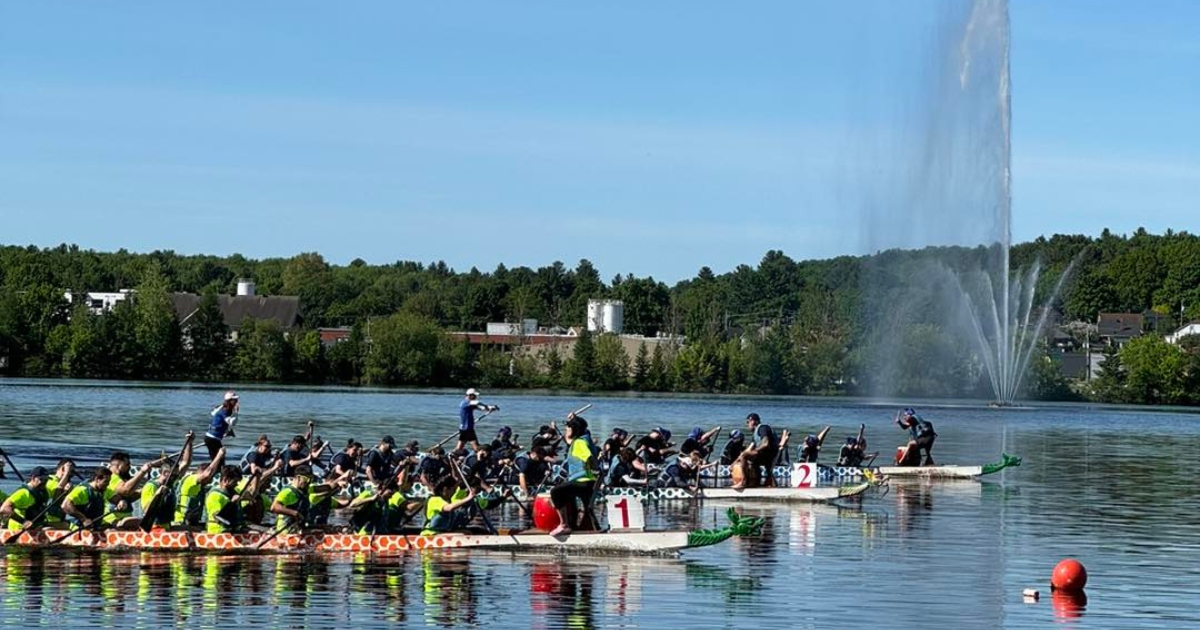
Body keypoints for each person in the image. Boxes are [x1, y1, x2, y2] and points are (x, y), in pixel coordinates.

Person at [548, 414, 599, 537]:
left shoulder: (579, 443)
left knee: (556, 492)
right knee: (587, 508)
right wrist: (574, 419)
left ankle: (564, 525)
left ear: (574, 430)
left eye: (568, 428)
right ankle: (595, 529)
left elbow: (589, 457)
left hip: (583, 481)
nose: (566, 430)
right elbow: (583, 429)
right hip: (589, 482)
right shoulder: (586, 438)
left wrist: (594, 469)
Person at [174, 448, 226, 527]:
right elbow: (207, 474)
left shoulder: (199, 486)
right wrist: (219, 456)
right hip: (181, 523)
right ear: (201, 472)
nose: (211, 480)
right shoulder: (190, 479)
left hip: (191, 522)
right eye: (211, 477)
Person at [0, 466, 51, 531]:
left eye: (46, 480)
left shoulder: (42, 491)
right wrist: (23, 522)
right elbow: (4, 509)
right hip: (18, 529)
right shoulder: (23, 493)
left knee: (62, 525)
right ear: (33, 478)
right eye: (42, 479)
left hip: (34, 527)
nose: (44, 482)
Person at [204, 465, 251, 534]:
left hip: (232, 530)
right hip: (218, 533)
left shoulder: (232, 492)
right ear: (226, 480)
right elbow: (219, 518)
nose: (237, 484)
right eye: (235, 482)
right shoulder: (214, 496)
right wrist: (232, 503)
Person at [270, 465, 315, 532]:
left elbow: (327, 488)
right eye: (307, 479)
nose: (309, 482)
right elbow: (274, 507)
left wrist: (336, 482)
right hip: (285, 532)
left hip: (297, 531)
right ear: (298, 478)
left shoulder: (306, 490)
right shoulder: (287, 492)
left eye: (311, 480)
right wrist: (294, 513)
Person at [740, 413, 780, 488]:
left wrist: (755, 451)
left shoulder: (762, 428)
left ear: (753, 421)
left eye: (748, 422)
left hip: (770, 453)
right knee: (748, 458)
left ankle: (744, 481)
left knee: (745, 457)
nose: (747, 425)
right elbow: (749, 449)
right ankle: (758, 483)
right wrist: (734, 463)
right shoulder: (755, 434)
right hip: (765, 453)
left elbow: (765, 443)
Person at [456, 388, 499, 453]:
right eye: (474, 395)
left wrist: (491, 408)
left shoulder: (470, 405)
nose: (476, 397)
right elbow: (477, 402)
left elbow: (481, 408)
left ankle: (452, 455)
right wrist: (486, 406)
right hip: (468, 429)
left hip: (464, 429)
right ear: (470, 395)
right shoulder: (465, 403)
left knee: (459, 447)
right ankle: (481, 457)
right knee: (476, 448)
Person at [205, 391, 239, 461]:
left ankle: (214, 470)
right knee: (219, 461)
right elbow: (232, 423)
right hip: (212, 439)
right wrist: (236, 412)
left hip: (212, 438)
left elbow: (216, 417)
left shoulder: (224, 408)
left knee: (218, 460)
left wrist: (226, 431)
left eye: (236, 399)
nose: (237, 401)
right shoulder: (224, 410)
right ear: (229, 401)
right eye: (234, 400)